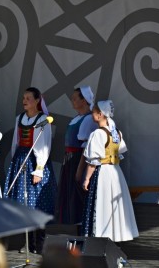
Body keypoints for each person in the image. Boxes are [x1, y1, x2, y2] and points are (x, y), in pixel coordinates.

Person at [3, 87, 57, 254]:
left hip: (36, 163)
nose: (24, 100)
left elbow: (44, 145)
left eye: (28, 98)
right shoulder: (20, 118)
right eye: (23, 98)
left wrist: (39, 169)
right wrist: (15, 160)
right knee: (24, 202)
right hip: (21, 160)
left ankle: (39, 243)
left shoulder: (43, 120)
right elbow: (16, 141)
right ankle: (28, 242)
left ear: (37, 100)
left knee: (37, 203)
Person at [81, 100, 139, 242]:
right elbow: (119, 152)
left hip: (103, 173)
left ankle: (101, 236)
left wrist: (87, 178)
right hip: (115, 172)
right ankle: (114, 236)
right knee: (113, 205)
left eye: (93, 112)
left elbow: (93, 162)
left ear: (100, 115)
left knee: (103, 204)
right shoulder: (116, 133)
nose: (91, 114)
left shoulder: (98, 134)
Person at [55, 86, 97, 225]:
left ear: (84, 100)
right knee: (68, 194)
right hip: (69, 159)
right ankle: (69, 225)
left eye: (75, 98)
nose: (72, 101)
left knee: (77, 195)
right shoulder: (77, 118)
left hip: (79, 160)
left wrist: (80, 169)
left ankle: (79, 226)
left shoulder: (89, 119)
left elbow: (87, 147)